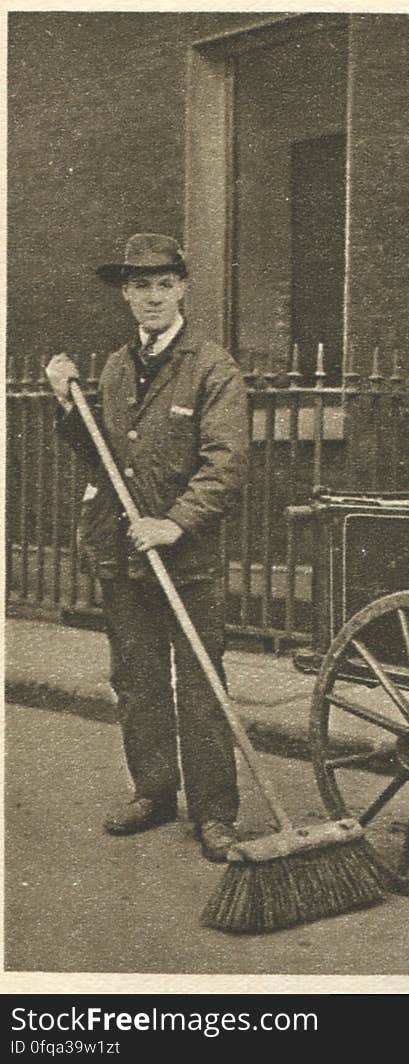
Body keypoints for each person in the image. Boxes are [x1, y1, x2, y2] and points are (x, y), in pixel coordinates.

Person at [46, 233, 249, 862]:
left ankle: (215, 811)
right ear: (126, 295)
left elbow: (225, 462)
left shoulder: (213, 367)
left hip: (186, 556)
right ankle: (154, 791)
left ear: (183, 288)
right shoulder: (114, 367)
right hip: (122, 548)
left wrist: (176, 522)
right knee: (136, 678)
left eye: (164, 284)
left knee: (199, 682)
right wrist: (66, 401)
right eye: (139, 286)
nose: (152, 297)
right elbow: (101, 455)